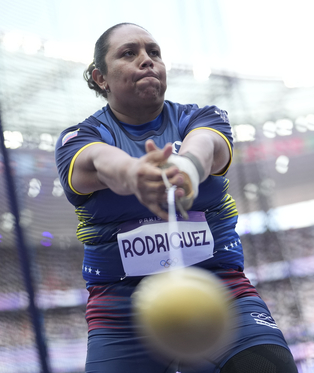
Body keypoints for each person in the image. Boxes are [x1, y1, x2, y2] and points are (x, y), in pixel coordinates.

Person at [55, 23, 298, 373]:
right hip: (122, 306)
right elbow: (100, 162)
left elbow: (208, 146)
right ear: (100, 77)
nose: (147, 60)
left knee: (269, 366)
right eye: (129, 53)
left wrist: (186, 167)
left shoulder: (202, 117)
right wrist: (135, 175)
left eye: (154, 53)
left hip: (217, 287)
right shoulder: (80, 137)